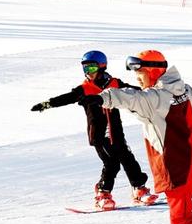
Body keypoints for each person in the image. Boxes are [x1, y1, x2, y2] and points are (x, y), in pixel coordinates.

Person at [81, 50, 192, 224]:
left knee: (180, 217)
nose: (137, 77)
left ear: (154, 71)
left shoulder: (154, 98)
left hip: (176, 165)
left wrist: (102, 97)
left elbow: (129, 97)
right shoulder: (181, 90)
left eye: (140, 71)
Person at [31, 50, 157, 211]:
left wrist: (154, 91)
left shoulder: (115, 84)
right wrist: (47, 104)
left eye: (91, 68)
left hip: (116, 132)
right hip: (98, 135)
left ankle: (139, 189)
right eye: (85, 69)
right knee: (112, 163)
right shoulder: (84, 88)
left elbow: (134, 92)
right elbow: (66, 98)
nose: (87, 72)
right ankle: (103, 194)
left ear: (102, 67)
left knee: (128, 159)